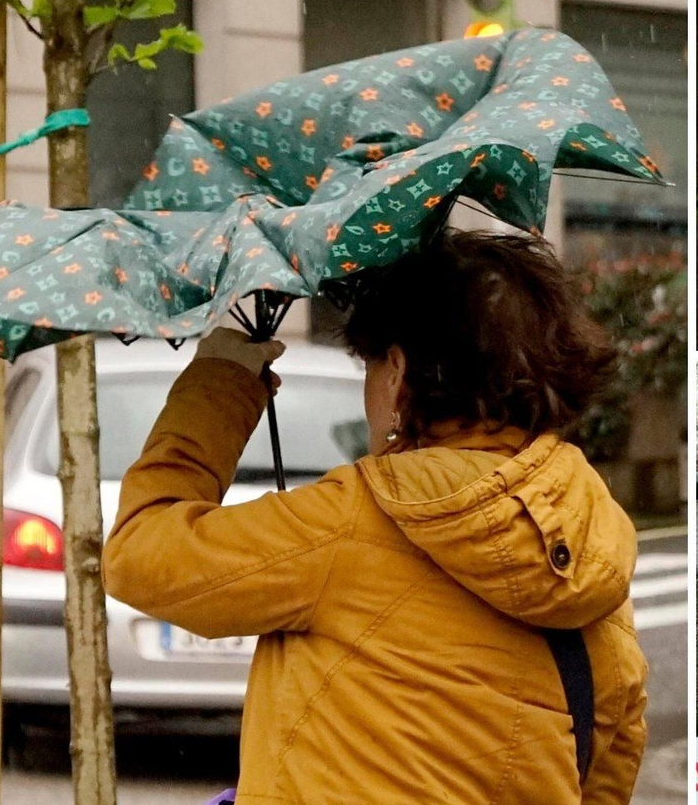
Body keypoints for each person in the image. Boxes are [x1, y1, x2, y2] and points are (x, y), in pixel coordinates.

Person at [104, 230, 647, 803]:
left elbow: (141, 554)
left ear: (396, 371)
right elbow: (608, 772)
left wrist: (220, 382)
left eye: (367, 365)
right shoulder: (587, 544)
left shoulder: (355, 519)